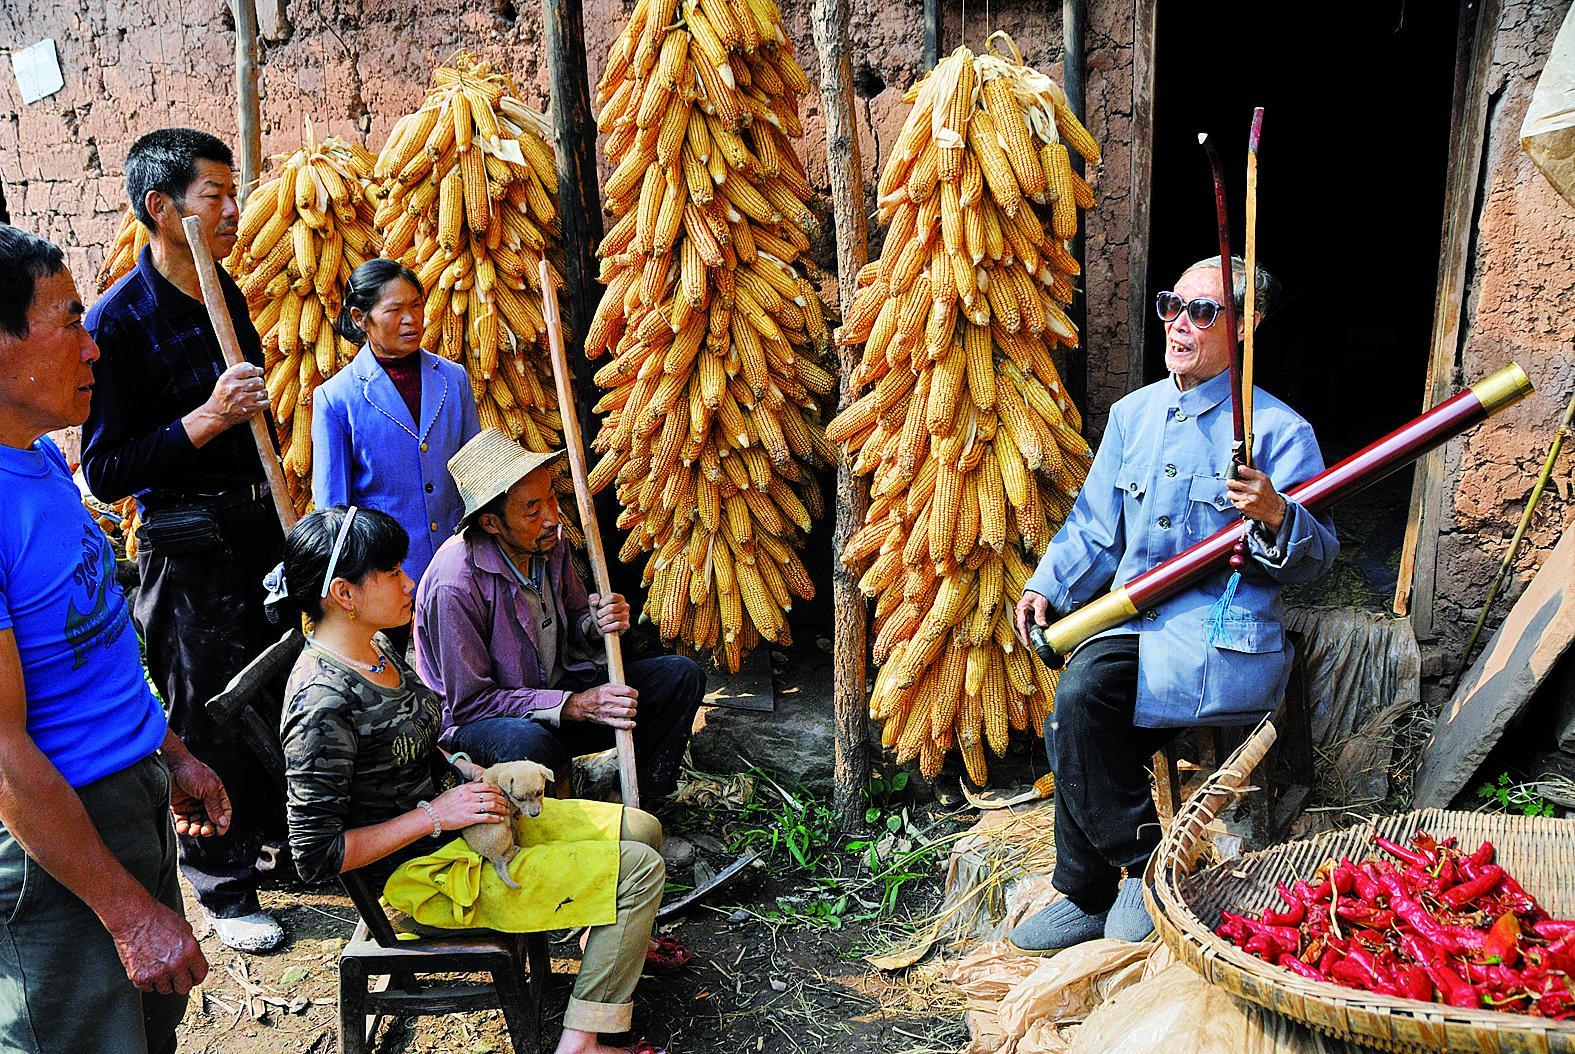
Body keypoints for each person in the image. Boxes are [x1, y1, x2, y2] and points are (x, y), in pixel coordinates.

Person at [1008, 258, 1339, 954]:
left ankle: (1113, 878)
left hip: (1217, 637)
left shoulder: (1279, 430)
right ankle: (1112, 879)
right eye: (1171, 306)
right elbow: (1096, 526)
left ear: (1244, 327)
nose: (1179, 325)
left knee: (1083, 712)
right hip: (1135, 621)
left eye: (1202, 312)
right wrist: (1049, 583)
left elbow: (1316, 561)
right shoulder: (1134, 416)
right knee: (1075, 713)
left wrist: (1278, 512)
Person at [272, 506, 671, 1054]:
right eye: (390, 573)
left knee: (643, 829)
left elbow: (417, 744)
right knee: (640, 870)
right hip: (426, 879)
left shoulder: (375, 649)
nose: (407, 581)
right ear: (344, 593)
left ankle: (601, 937)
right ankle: (581, 1043)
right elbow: (315, 855)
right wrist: (437, 815)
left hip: (469, 825)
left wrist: (463, 770)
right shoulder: (321, 703)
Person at [0, 224, 233, 1054]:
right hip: (56, 847)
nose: (94, 345)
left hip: (124, 800)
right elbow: (2, 751)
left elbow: (93, 649)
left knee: (144, 1033)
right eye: (69, 321)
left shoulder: (41, 464)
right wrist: (125, 909)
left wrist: (169, 751)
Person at [81, 128, 287, 952]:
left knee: (274, 683)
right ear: (161, 208)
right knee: (205, 704)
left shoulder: (221, 290)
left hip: (254, 522)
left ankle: (270, 842)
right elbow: (104, 468)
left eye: (234, 193)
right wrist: (205, 420)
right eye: (215, 196)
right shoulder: (117, 322)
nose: (234, 211)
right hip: (185, 539)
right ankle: (225, 887)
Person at [415, 429, 705, 804]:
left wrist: (597, 623)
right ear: (490, 523)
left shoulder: (548, 543)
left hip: (559, 698)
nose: (552, 517)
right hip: (485, 726)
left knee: (680, 677)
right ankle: (555, 832)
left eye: (551, 498)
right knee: (531, 743)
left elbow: (575, 616)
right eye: (533, 510)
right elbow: (471, 704)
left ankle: (640, 803)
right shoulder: (454, 585)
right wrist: (572, 705)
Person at [310, 258, 481, 651]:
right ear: (360, 317)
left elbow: (476, 473)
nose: (411, 320)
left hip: (460, 570)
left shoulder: (452, 379)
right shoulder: (337, 399)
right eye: (394, 310)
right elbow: (334, 512)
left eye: (417, 305)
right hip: (388, 587)